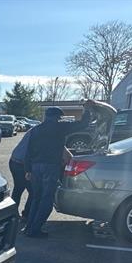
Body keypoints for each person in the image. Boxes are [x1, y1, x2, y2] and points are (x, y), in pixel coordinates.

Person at [24, 101, 95, 238]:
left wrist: (28, 170)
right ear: (58, 117)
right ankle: (35, 230)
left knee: (36, 198)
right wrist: (87, 110)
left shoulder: (36, 129)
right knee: (46, 199)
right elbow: (82, 124)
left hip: (35, 167)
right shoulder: (60, 127)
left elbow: (28, 151)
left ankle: (29, 227)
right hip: (50, 167)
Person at [9, 128, 33, 220]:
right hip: (21, 163)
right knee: (33, 191)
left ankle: (12, 215)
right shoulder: (43, 133)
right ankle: (26, 215)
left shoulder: (35, 130)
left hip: (14, 161)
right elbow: (29, 154)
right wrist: (28, 170)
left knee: (18, 189)